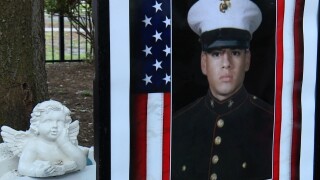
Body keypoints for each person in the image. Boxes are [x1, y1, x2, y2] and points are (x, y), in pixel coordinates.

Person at [171, 0, 274, 179]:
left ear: (247, 60)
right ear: (204, 62)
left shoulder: (271, 125)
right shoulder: (178, 126)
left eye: (235, 53)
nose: (226, 64)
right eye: (216, 54)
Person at [17, 100, 87, 177]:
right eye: (48, 121)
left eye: (59, 121)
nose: (55, 125)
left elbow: (82, 163)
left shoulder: (66, 142)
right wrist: (39, 172)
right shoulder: (34, 145)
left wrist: (65, 143)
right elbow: (23, 167)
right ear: (36, 125)